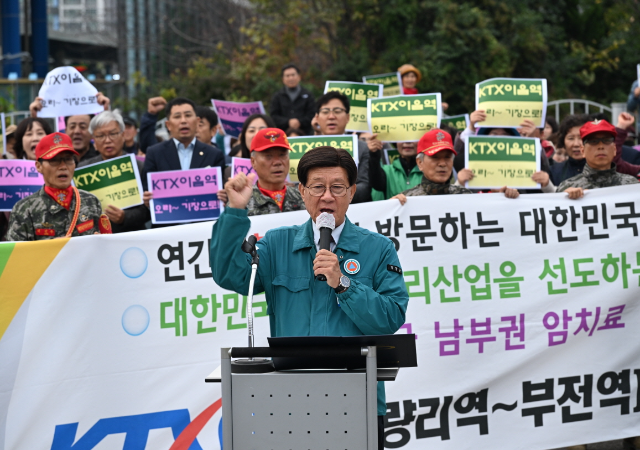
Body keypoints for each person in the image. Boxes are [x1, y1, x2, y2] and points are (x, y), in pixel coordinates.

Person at [210, 146, 409, 450]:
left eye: (337, 187)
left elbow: (391, 317)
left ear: (352, 192)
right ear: (302, 191)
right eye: (317, 187)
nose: (327, 196)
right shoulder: (278, 243)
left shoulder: (378, 249)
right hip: (289, 399)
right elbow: (230, 275)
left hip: (357, 398)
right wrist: (236, 212)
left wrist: (344, 283)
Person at [6, 132, 109, 241]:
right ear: (39, 166)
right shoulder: (24, 209)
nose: (63, 166)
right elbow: (15, 255)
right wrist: (53, 250)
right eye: (54, 160)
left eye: (68, 159)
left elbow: (105, 248)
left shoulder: (91, 201)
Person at [391, 129, 519, 203]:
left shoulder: (466, 196)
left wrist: (504, 199)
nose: (442, 163)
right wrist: (389, 208)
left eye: (447, 157)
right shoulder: (406, 200)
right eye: (435, 158)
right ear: (420, 163)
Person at [142, 97, 226, 201]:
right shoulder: (154, 153)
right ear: (168, 125)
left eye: (188, 115)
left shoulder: (214, 154)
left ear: (197, 121)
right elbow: (146, 190)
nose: (183, 121)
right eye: (177, 117)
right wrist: (147, 200)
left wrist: (223, 196)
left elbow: (221, 190)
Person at [78, 111, 150, 233]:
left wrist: (124, 217)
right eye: (100, 136)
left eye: (113, 134)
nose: (107, 140)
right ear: (93, 140)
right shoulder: (83, 170)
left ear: (123, 135)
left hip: (132, 237)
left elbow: (148, 210)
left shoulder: (139, 167)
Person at [219, 128, 305, 215]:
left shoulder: (303, 197)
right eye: (268, 156)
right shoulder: (242, 201)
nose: (277, 162)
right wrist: (236, 208)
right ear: (253, 162)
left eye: (282, 155)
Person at [313, 91, 371, 203]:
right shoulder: (306, 147)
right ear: (317, 117)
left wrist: (336, 193)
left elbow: (364, 187)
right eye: (325, 112)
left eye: (337, 111)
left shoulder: (361, 147)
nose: (331, 116)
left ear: (348, 117)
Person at [558, 119, 638, 198]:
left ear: (614, 149)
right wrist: (564, 198)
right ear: (583, 151)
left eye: (607, 140)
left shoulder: (631, 185)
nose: (601, 146)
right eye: (593, 141)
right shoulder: (568, 187)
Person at [29, 92, 111, 163]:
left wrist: (106, 112)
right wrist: (34, 117)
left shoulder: (103, 158)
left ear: (92, 132)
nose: (77, 131)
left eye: (82, 127)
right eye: (72, 126)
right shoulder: (53, 158)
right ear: (65, 130)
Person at [269, 63, 316, 135]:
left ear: (299, 77)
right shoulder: (277, 96)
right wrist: (288, 122)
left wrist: (300, 122)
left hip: (306, 135)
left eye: (293, 75)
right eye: (287, 76)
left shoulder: (308, 95)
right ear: (283, 79)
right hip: (283, 135)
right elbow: (273, 116)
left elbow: (312, 114)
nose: (291, 78)